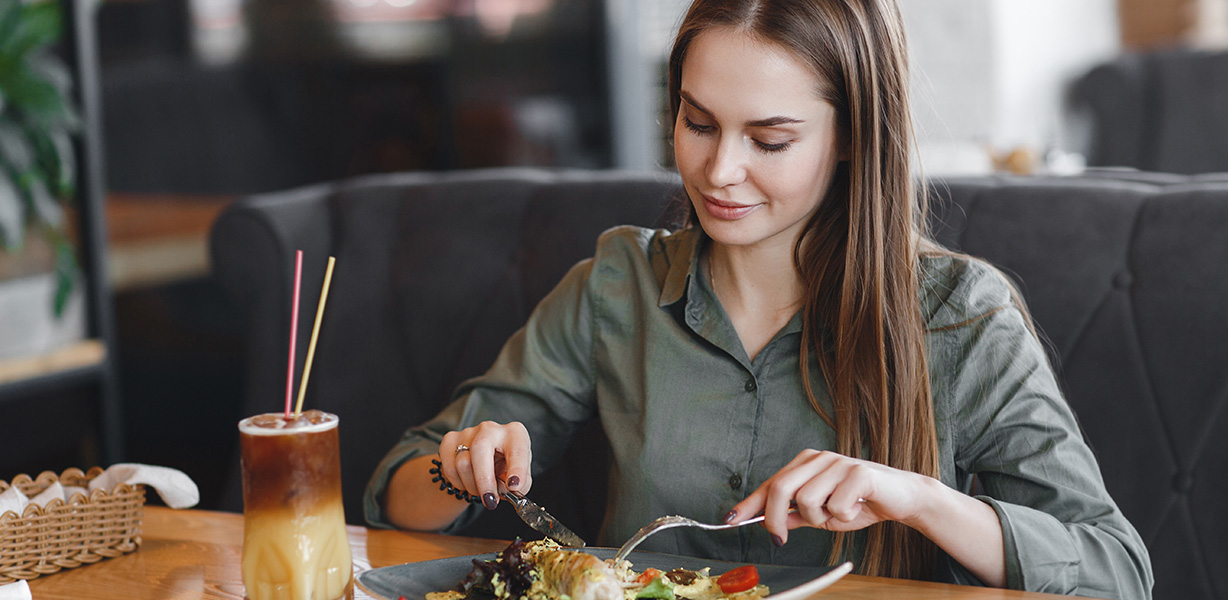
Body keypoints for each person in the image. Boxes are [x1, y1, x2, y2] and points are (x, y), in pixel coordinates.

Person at [364, 0, 1153, 597]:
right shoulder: (618, 284)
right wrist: (456, 466)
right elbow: (396, 498)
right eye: (697, 122)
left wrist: (918, 500)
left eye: (770, 141)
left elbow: (1118, 571)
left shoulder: (960, 314)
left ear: (851, 139)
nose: (718, 170)